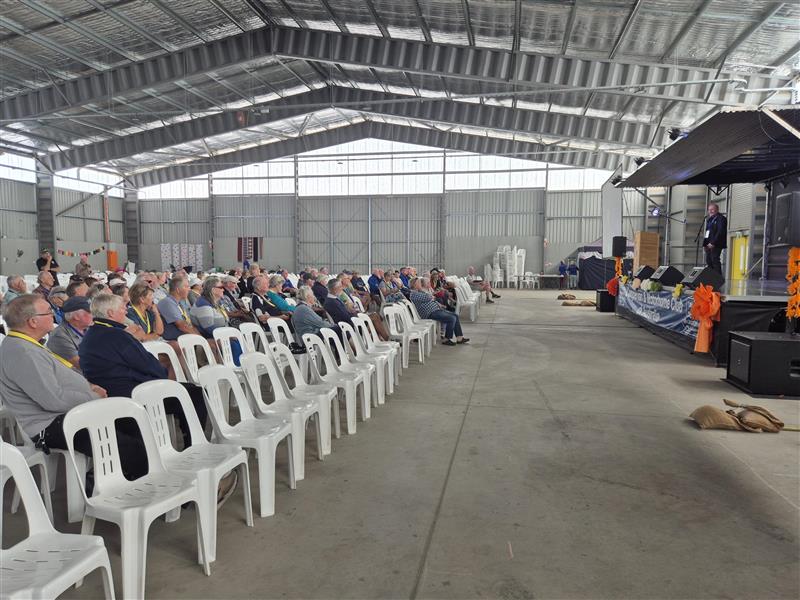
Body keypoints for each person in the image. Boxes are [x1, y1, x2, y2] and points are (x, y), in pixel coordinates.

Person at [0, 294, 148, 482]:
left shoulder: (26, 345)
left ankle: (113, 475)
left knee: (130, 423)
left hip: (65, 414)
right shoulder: (23, 352)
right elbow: (53, 399)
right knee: (130, 447)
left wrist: (89, 387)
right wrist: (93, 396)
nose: (53, 315)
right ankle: (131, 486)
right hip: (51, 425)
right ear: (33, 322)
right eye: (48, 311)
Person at [80, 294, 211, 452]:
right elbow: (152, 368)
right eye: (122, 308)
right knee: (194, 393)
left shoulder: (90, 334)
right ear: (110, 313)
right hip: (133, 396)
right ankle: (194, 445)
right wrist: (159, 369)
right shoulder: (118, 336)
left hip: (110, 395)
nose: (125, 312)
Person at [409, 277, 469, 346]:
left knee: (455, 315)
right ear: (414, 285)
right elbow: (428, 297)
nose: (421, 285)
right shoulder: (413, 294)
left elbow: (430, 297)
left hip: (435, 310)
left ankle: (459, 338)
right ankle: (447, 339)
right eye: (419, 283)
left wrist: (431, 297)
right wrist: (430, 296)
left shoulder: (419, 292)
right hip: (430, 313)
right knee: (451, 318)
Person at [46, 295, 93, 370]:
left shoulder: (88, 328)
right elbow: (83, 365)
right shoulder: (59, 337)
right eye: (91, 312)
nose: (94, 314)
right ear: (76, 316)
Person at [158, 276, 201, 341]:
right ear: (178, 290)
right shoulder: (167, 302)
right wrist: (201, 339)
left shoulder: (179, 302)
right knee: (212, 344)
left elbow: (188, 324)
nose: (189, 289)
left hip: (184, 338)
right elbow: (182, 326)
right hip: (175, 340)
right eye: (186, 286)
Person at [703, 202, 727, 276]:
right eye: (709, 210)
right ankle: (711, 277)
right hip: (708, 244)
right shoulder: (710, 219)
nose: (710, 211)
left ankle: (718, 278)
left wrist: (713, 243)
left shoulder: (721, 218)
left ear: (717, 209)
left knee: (715, 260)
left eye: (712, 209)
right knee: (708, 260)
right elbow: (707, 232)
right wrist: (705, 244)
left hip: (716, 244)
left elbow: (720, 232)